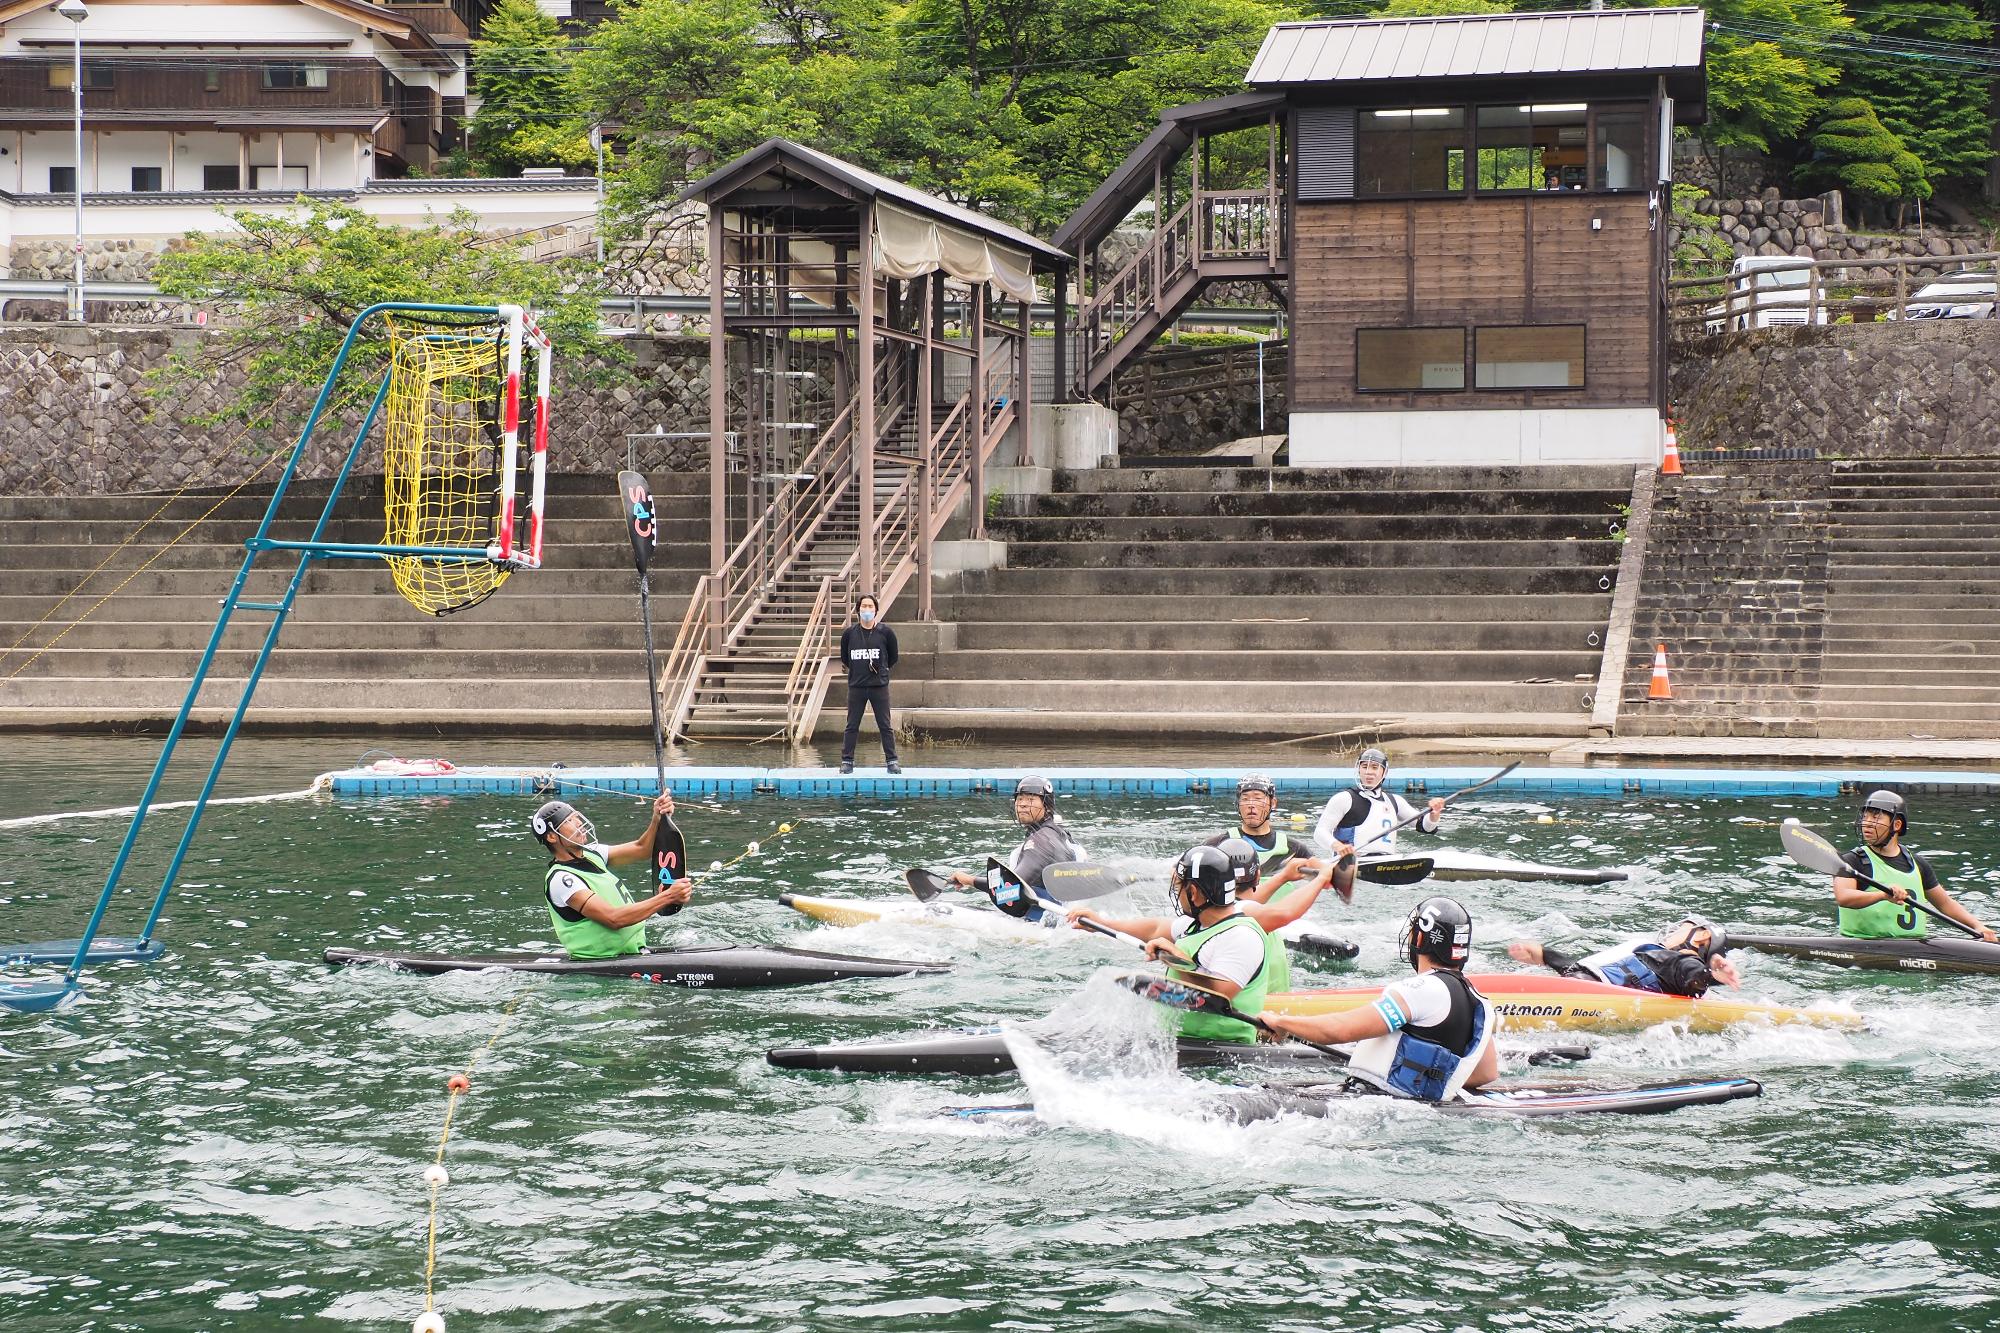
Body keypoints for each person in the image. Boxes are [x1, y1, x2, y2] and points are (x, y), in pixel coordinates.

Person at [1262, 896, 1498, 1102]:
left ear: (1419, 940)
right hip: (1415, 1108)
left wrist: (1281, 1023)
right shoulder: (1481, 1003)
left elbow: (1340, 1030)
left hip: (1373, 1102)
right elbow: (1487, 1073)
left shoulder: (1421, 989)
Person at [1070, 845, 1277, 1044]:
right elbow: (1155, 928)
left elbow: (1220, 995)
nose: (1176, 892)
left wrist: (1177, 960)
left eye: (1179, 885)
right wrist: (1101, 924)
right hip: (1185, 1040)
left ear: (1194, 892)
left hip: (1221, 1052)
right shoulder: (1198, 923)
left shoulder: (1241, 936)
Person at [531, 794, 692, 960]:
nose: (579, 823)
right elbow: (613, 919)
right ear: (551, 836)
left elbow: (642, 848)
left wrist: (658, 818)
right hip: (600, 963)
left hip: (633, 952)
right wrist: (668, 896)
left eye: (576, 817)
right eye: (569, 821)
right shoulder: (562, 880)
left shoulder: (593, 853)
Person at [1833, 790, 1996, 941]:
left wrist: (1978, 926)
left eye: (1876, 817)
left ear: (1896, 825)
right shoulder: (1852, 861)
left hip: (1913, 947)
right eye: (1865, 817)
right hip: (1863, 944)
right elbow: (1844, 897)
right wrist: (1882, 894)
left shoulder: (1918, 864)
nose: (1867, 823)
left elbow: (1945, 903)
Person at [1310, 748, 1446, 901]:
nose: (1369, 772)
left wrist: (1434, 813)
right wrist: (1337, 846)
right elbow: (1320, 832)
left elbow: (1426, 827)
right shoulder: (1343, 799)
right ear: (1358, 769)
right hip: (1352, 867)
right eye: (1364, 767)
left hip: (1386, 865)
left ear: (1384, 772)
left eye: (1374, 767)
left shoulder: (1395, 801)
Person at [946, 776, 1086, 922]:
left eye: (1031, 800)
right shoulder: (1058, 834)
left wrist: (969, 879)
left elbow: (1012, 886)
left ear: (1047, 806)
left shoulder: (1040, 841)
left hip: (1035, 927)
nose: (1023, 805)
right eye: (1019, 799)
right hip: (1055, 920)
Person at [1507, 916, 1742, 997]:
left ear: (1701, 938)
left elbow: (1692, 977)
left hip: (1584, 997)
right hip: (1581, 987)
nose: (1672, 930)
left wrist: (1711, 975)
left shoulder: (1680, 960)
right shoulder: (1650, 952)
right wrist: (1546, 956)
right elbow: (1592, 971)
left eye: (1682, 927)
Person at [838, 594, 900, 775]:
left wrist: (881, 671)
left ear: (876, 610)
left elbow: (893, 657)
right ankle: (847, 761)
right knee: (852, 725)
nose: (867, 610)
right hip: (856, 686)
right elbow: (845, 657)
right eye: (863, 606)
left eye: (870, 606)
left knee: (885, 725)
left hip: (878, 686)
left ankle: (892, 761)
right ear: (858, 610)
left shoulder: (885, 632)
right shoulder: (849, 633)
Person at [1205, 773, 1313, 876]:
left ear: (1273, 803)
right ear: (1237, 804)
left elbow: (1322, 872)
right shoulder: (1217, 846)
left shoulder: (1294, 849)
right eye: (1245, 799)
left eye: (1258, 798)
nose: (1251, 804)